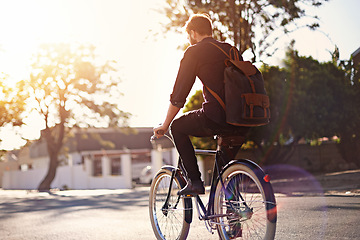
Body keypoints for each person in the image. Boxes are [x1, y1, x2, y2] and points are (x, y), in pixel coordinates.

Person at [153, 13, 249, 196]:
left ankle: (195, 182)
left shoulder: (194, 52)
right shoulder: (231, 50)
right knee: (223, 174)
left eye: (188, 35)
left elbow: (179, 96)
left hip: (218, 117)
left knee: (178, 127)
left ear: (193, 33)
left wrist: (165, 125)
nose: (189, 39)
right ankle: (231, 217)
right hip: (243, 118)